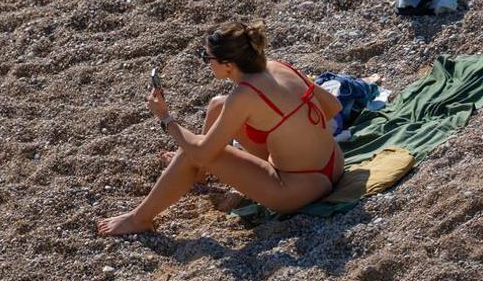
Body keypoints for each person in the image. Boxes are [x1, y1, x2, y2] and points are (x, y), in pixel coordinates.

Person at [96, 21, 344, 236]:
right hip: (333, 163)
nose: (206, 63)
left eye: (207, 58)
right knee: (217, 105)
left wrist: (165, 118)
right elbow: (332, 106)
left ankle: (139, 219)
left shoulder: (245, 95)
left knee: (191, 153)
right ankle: (199, 175)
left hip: (296, 189)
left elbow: (201, 151)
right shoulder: (276, 66)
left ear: (228, 65)